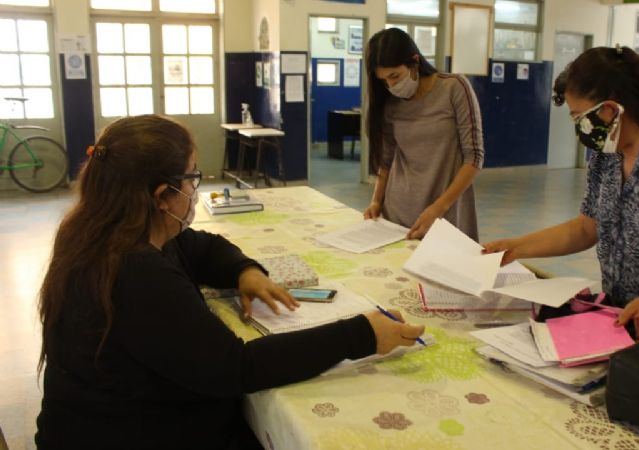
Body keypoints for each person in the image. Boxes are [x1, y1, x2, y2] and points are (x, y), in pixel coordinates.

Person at [35, 115, 425, 450]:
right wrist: (362, 334)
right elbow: (236, 369)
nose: (196, 189)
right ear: (162, 196)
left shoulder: (110, 229)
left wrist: (245, 272)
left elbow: (202, 248)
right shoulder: (135, 271)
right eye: (192, 178)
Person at [483, 46, 639, 341]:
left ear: (609, 109)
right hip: (631, 318)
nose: (579, 127)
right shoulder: (607, 153)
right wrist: (516, 247)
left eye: (579, 116)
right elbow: (587, 227)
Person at [363, 28, 484, 240]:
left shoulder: (454, 88)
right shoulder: (390, 104)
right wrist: (376, 201)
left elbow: (474, 157)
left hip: (446, 213)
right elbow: (386, 161)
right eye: (384, 80)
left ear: (414, 62)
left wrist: (438, 208)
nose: (391, 86)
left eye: (395, 76)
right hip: (397, 212)